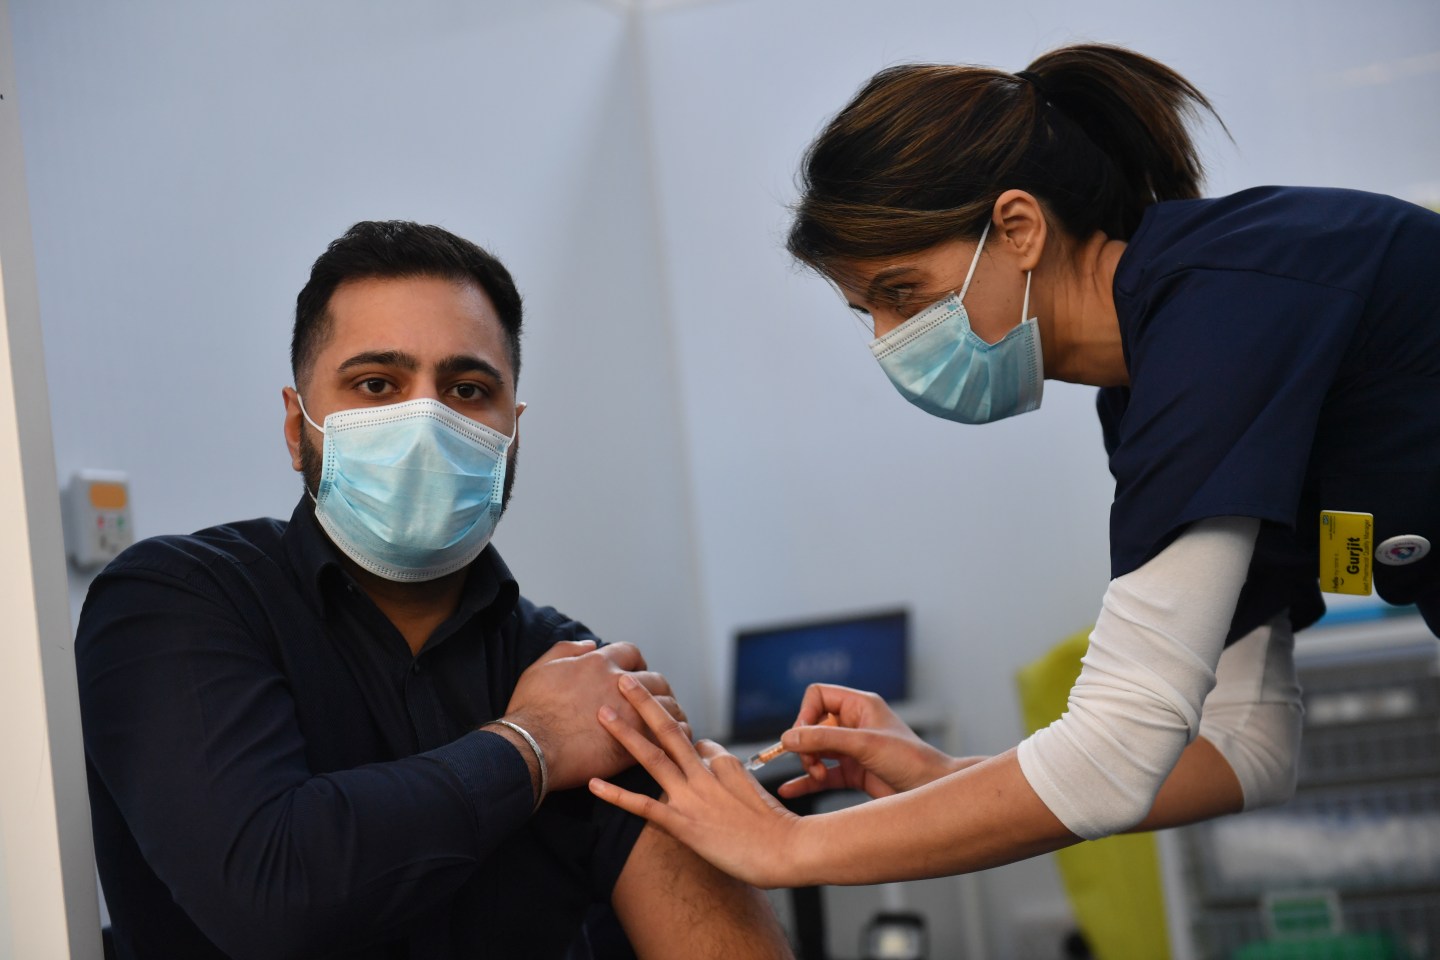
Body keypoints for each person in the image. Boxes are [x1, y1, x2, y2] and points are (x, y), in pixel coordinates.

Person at [588, 43, 1440, 888]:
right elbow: (1246, 746)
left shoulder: (1220, 314)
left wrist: (785, 850)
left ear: (1019, 228)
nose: (888, 342)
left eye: (903, 294)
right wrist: (943, 776)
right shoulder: (1149, 386)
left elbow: (1117, 749)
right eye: (867, 314)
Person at [74, 220, 792, 959]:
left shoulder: (576, 669)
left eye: (467, 388)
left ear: (512, 433)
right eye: (377, 384)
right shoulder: (175, 606)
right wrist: (534, 744)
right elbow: (271, 895)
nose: (426, 421)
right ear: (298, 428)